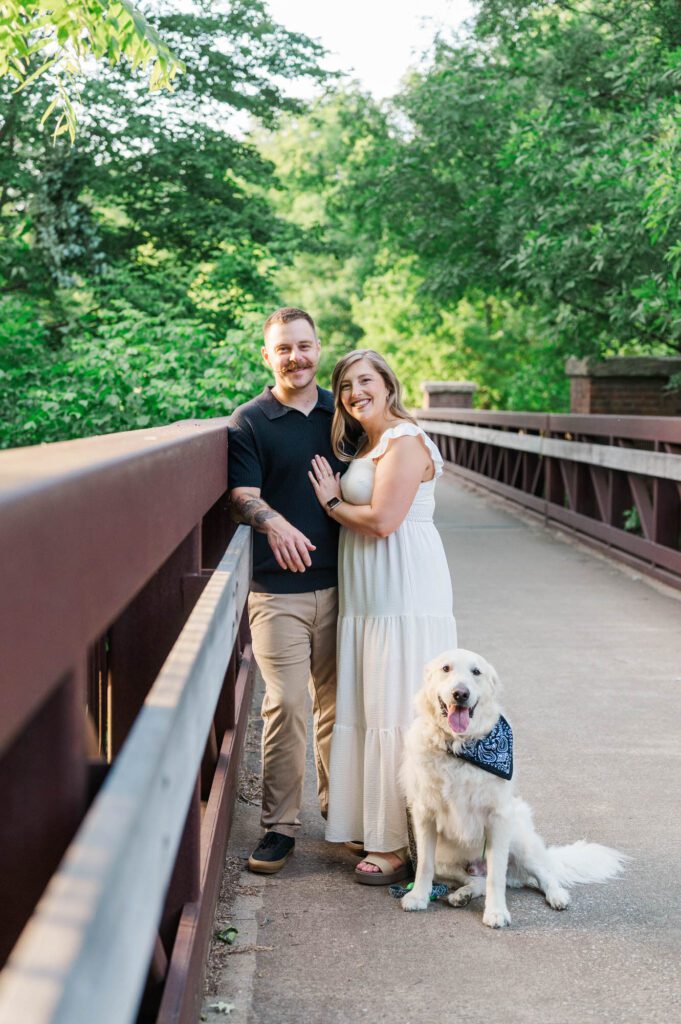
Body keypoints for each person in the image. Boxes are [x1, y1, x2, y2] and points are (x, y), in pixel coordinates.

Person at [308, 349, 457, 884]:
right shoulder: (368, 444)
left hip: (403, 590)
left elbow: (383, 521)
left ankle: (399, 846)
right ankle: (378, 827)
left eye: (364, 381)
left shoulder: (405, 440)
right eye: (345, 386)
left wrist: (330, 503)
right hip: (370, 596)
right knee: (374, 704)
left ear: (389, 386)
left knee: (399, 705)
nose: (353, 394)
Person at [228, 307, 344, 874]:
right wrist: (272, 521)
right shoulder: (250, 420)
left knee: (339, 709)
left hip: (347, 586)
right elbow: (241, 495)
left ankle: (340, 818)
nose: (296, 357)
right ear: (267, 356)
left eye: (305, 345)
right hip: (277, 592)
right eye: (284, 349)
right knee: (288, 704)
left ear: (319, 347)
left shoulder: (343, 412)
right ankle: (280, 827)